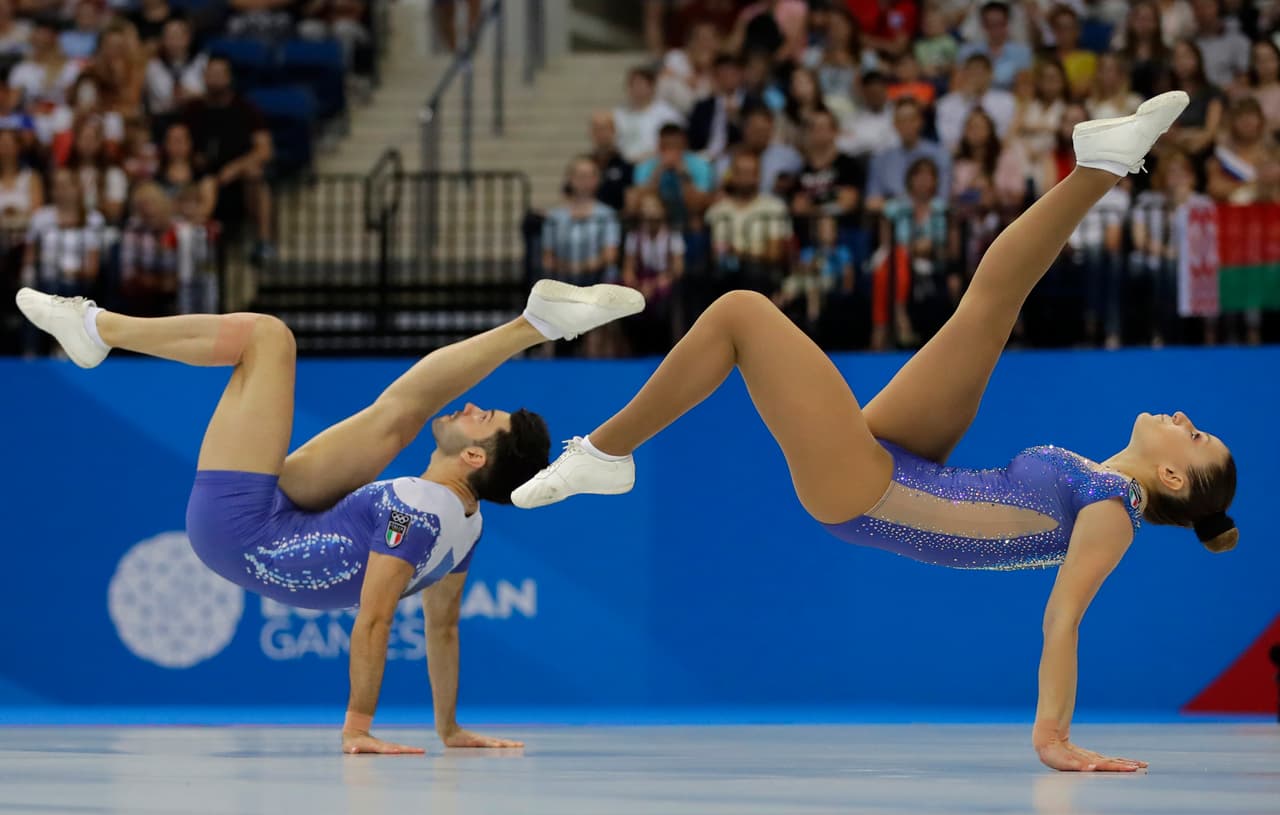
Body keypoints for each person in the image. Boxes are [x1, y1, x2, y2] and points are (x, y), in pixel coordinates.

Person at [513, 92, 1238, 773]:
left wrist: (1052, 735)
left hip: (872, 490)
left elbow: (1063, 617)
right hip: (914, 466)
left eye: (1196, 436)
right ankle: (1103, 165)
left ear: (1173, 479)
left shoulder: (1113, 510)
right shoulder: (1101, 483)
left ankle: (605, 452)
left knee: (740, 312)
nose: (1183, 419)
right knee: (989, 305)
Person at [14, 278, 644, 754]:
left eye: (483, 419)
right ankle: (536, 323)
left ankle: (98, 330)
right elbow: (443, 628)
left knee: (268, 338)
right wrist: (449, 728)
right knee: (397, 413)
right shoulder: (466, 523)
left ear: (475, 455)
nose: (472, 406)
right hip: (283, 515)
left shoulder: (413, 509)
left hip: (239, 526)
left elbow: (374, 621)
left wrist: (359, 727)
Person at [613, 67, 684, 165]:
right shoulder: (618, 114)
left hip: (655, 164)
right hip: (623, 164)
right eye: (632, 85)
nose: (636, 89)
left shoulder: (668, 114)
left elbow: (676, 142)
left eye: (640, 84)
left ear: (652, 86)